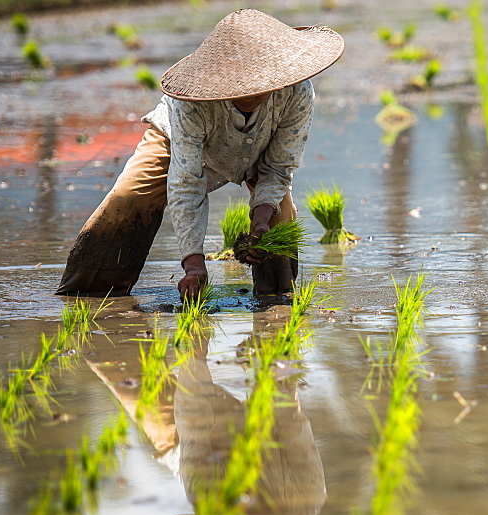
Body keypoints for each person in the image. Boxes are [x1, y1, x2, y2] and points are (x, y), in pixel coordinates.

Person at [55, 9, 344, 299]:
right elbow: (186, 183)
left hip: (260, 148)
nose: (252, 94)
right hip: (175, 141)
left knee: (278, 221)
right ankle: (89, 295)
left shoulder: (297, 93)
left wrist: (261, 218)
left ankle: (274, 300)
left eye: (263, 84)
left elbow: (279, 167)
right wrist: (194, 265)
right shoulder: (191, 102)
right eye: (241, 86)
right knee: (129, 199)